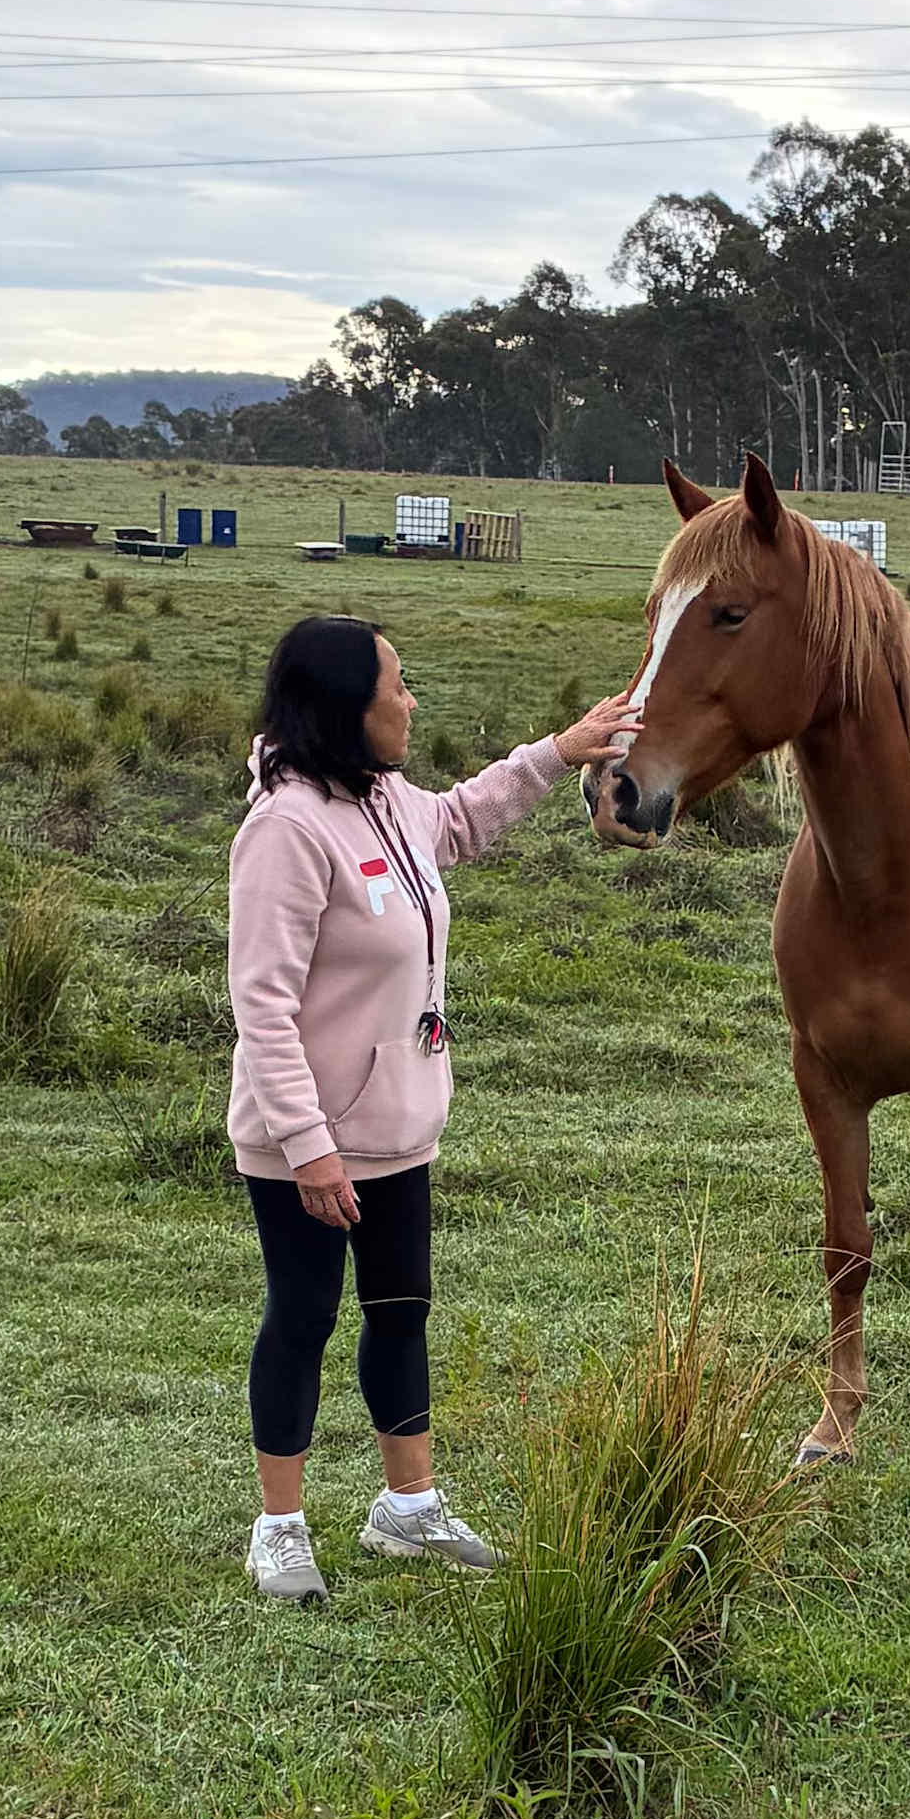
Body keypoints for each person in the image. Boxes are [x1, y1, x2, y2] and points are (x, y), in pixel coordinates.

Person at [224, 614, 634, 1603]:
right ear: (345, 710)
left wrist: (557, 752)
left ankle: (406, 1508)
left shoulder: (385, 798)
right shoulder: (284, 830)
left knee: (400, 1312)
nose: (411, 703)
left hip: (401, 1128)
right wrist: (311, 1148)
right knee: (303, 1317)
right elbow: (262, 1007)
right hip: (306, 1146)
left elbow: (455, 822)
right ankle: (278, 1527)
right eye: (396, 688)